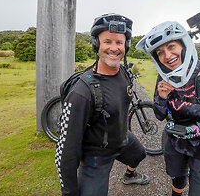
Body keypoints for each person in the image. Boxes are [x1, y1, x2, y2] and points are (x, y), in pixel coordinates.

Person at [136, 21, 200, 196]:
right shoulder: (164, 78)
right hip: (175, 142)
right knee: (176, 176)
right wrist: (161, 98)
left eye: (171, 46)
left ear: (184, 44)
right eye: (160, 52)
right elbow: (160, 115)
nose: (167, 55)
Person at [55, 13, 150, 196]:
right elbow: (65, 151)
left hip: (122, 138)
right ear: (96, 44)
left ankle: (130, 176)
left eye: (119, 43)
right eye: (107, 41)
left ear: (126, 46)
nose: (114, 48)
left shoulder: (124, 72)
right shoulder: (81, 92)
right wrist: (69, 191)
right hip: (96, 156)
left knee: (140, 154)